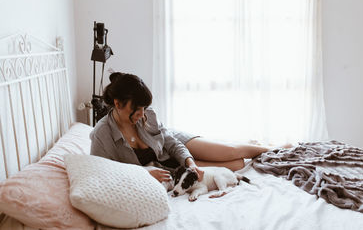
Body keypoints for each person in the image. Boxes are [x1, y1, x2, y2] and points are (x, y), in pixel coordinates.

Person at [90, 72, 283, 184]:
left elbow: (172, 142)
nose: (142, 114)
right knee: (238, 164)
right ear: (118, 103)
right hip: (170, 166)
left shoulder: (149, 116)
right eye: (136, 109)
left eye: (144, 108)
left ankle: (278, 150)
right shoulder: (102, 135)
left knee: (231, 150)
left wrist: (190, 162)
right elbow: (102, 172)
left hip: (176, 145)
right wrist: (144, 173)